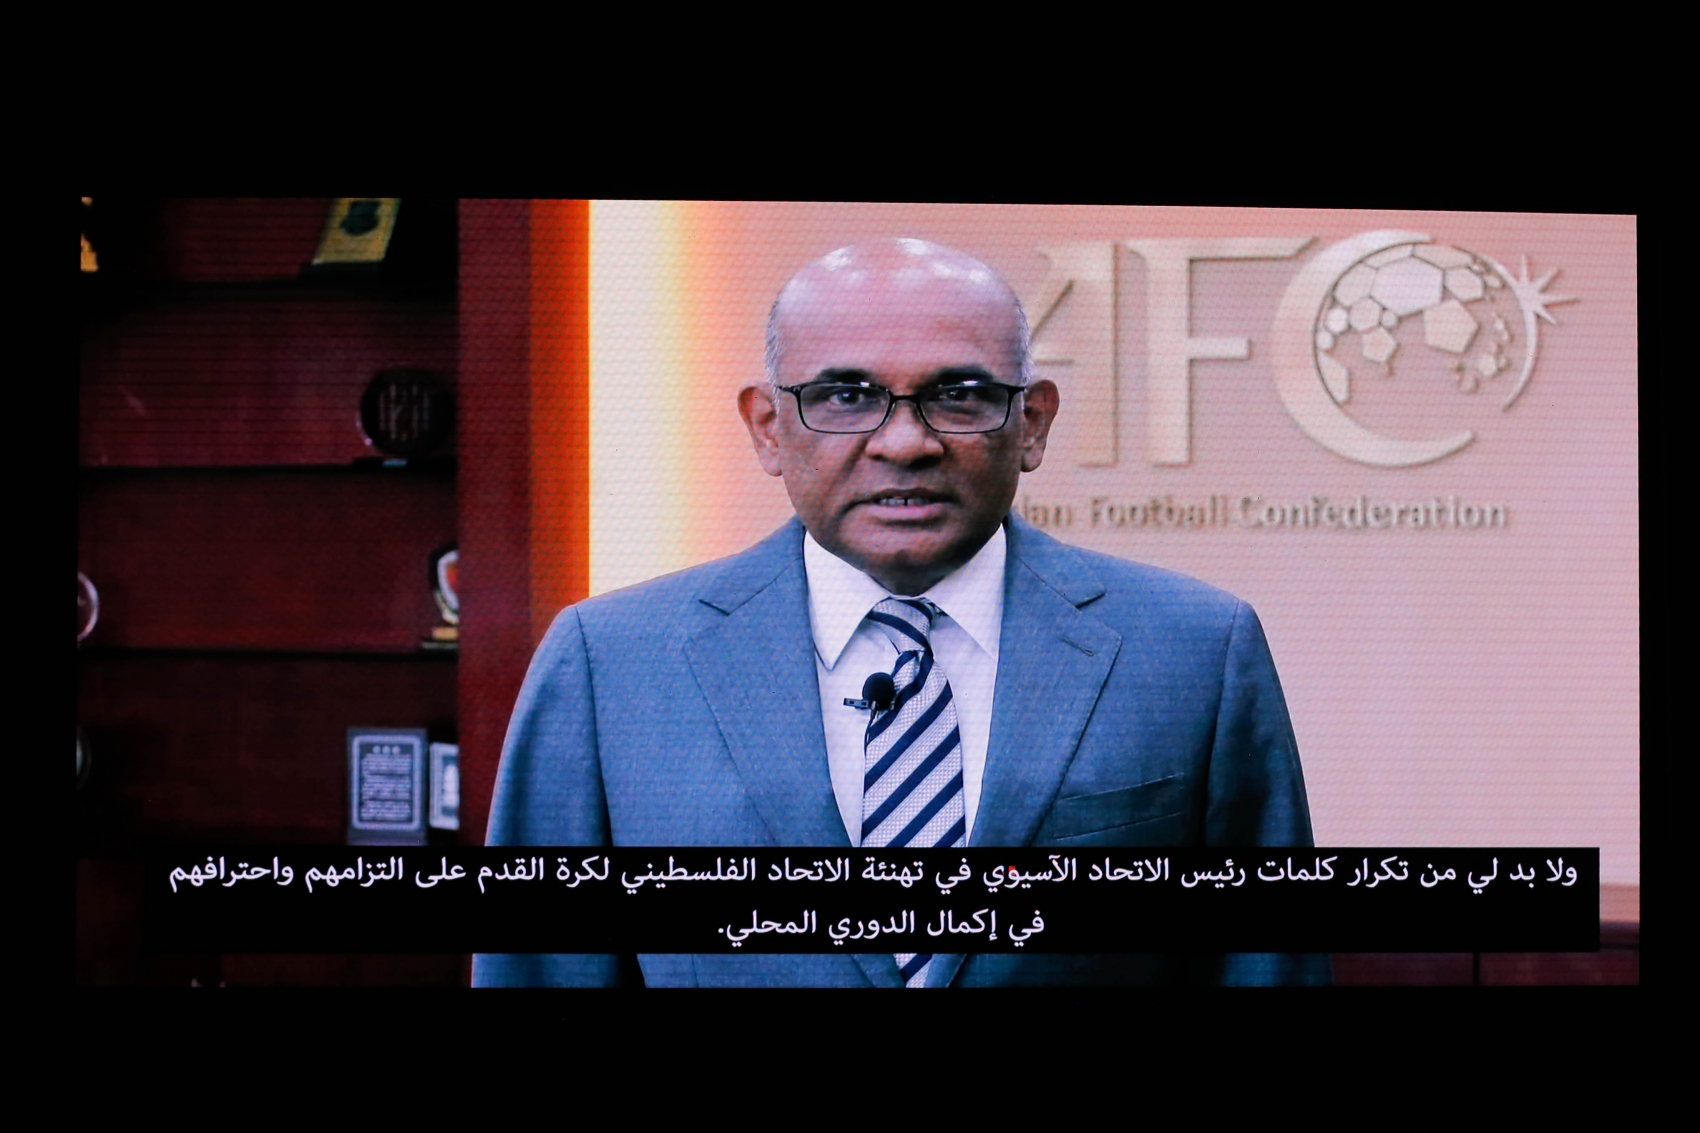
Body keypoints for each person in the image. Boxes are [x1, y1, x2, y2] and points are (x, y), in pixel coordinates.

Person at [473, 238, 1327, 986]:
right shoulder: (608, 663)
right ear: (768, 427)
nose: (906, 441)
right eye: (846, 395)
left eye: (959, 395)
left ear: (1032, 423)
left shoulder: (1195, 651)